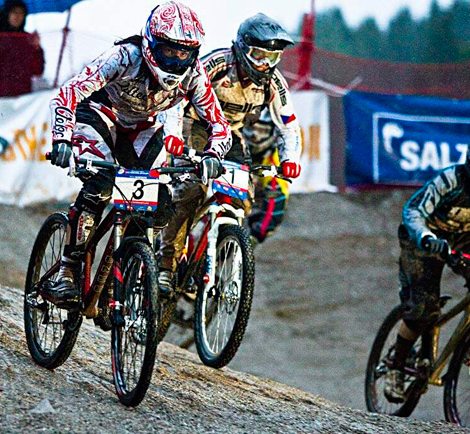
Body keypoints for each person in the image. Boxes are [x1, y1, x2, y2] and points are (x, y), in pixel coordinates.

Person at [43, 1, 231, 307]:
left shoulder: (195, 74)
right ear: (151, 44)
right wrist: (61, 138)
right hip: (100, 113)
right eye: (168, 51)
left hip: (142, 126)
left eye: (183, 54)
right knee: (100, 185)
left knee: (159, 202)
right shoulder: (124, 56)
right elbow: (69, 93)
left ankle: (126, 268)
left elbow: (219, 124)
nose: (175, 61)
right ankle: (68, 268)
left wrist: (213, 154)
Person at [156, 13, 302, 293]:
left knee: (241, 198)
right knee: (192, 189)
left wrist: (290, 160)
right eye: (259, 56)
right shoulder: (217, 63)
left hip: (231, 134)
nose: (265, 64)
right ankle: (166, 264)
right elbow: (177, 97)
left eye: (272, 58)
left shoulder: (274, 82)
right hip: (196, 126)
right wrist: (172, 134)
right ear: (242, 48)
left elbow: (288, 126)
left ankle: (210, 257)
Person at [384, 160, 470, 402]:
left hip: (461, 241)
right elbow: (413, 210)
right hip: (423, 240)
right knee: (423, 307)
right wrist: (425, 237)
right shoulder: (450, 180)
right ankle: (396, 367)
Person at [241, 109, 291, 245]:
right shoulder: (230, 142)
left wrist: (254, 238)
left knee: (275, 197)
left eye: (262, 130)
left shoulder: (274, 160)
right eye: (251, 128)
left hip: (252, 214)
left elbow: (276, 205)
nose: (255, 136)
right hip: (218, 204)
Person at [0, 0, 45, 80]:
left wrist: (37, 48)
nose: (17, 16)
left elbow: (37, 71)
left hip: (23, 86)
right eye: (14, 12)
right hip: (0, 86)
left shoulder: (28, 39)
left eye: (21, 12)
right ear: (7, 14)